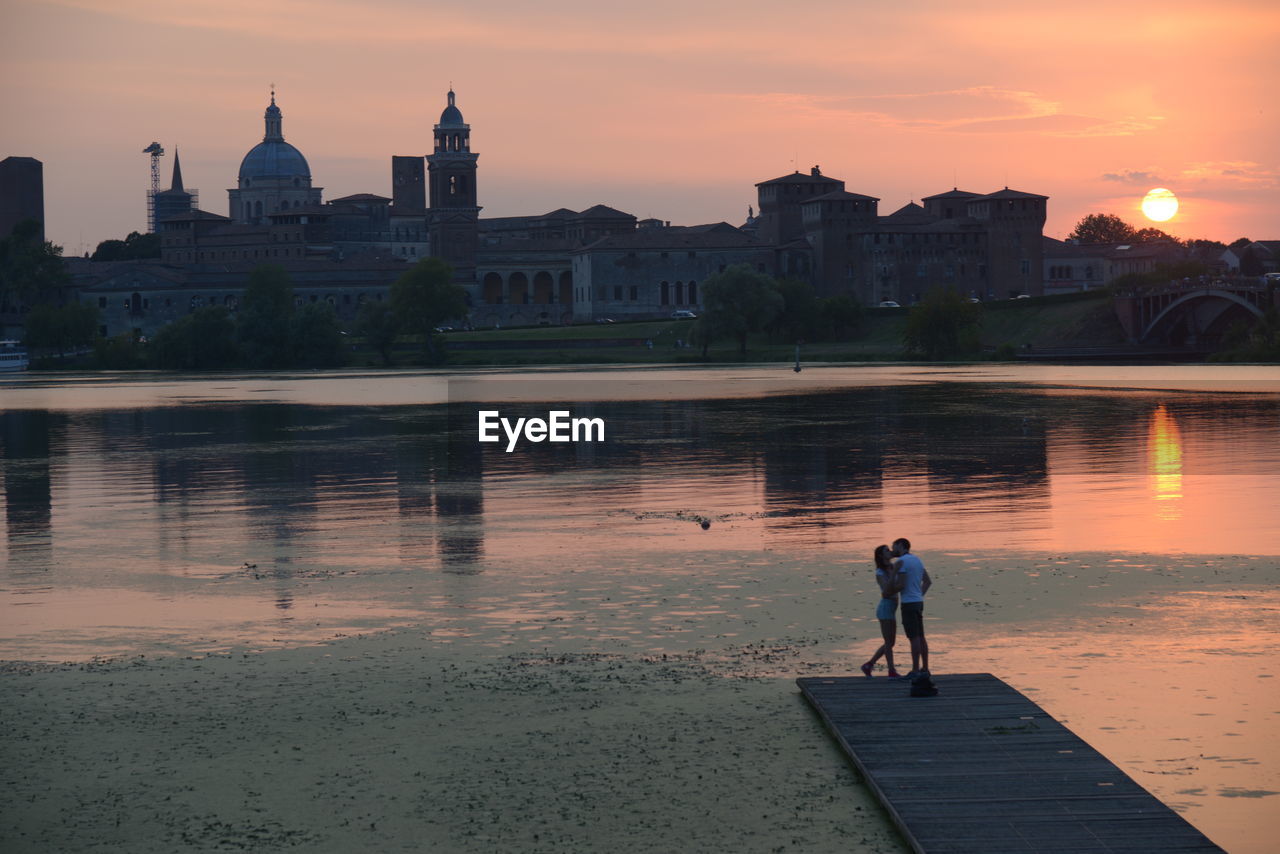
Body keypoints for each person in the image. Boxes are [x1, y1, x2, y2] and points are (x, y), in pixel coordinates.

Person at [892, 537, 932, 679]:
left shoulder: (901, 562)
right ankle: (925, 668)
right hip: (918, 602)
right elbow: (927, 581)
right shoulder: (917, 560)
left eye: (894, 546)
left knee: (913, 637)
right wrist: (918, 595)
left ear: (901, 546)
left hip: (908, 603)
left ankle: (915, 670)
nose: (893, 550)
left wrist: (889, 590)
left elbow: (901, 585)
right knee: (921, 636)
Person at [861, 545, 903, 678]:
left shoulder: (893, 566)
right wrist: (902, 586)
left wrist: (897, 554)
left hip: (892, 608)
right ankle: (891, 671)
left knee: (891, 642)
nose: (890, 551)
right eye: (887, 550)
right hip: (885, 608)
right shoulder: (880, 572)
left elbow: (901, 555)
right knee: (889, 642)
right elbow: (886, 592)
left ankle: (869, 664)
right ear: (880, 555)